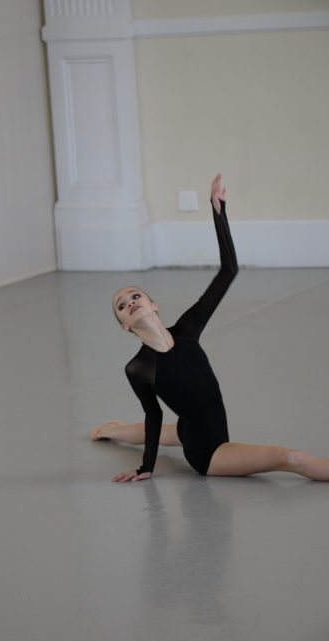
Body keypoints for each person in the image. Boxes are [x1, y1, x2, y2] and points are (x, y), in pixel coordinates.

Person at [91, 174, 329, 482]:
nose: (131, 302)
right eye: (122, 306)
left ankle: (112, 430)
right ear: (125, 326)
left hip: (189, 427)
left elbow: (228, 271)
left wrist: (219, 212)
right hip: (209, 450)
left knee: (172, 432)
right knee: (291, 458)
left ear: (154, 304)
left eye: (135, 296)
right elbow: (153, 414)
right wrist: (145, 467)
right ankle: (113, 431)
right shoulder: (138, 367)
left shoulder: (187, 330)